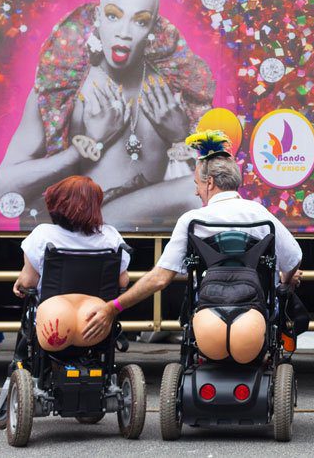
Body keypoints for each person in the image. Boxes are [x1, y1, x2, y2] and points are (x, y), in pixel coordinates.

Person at [0, 0, 215, 230]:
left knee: (203, 191)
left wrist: (181, 137)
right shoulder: (65, 87)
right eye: (113, 16)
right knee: (190, 192)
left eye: (140, 21)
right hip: (79, 223)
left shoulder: (171, 93)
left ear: (153, 27)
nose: (124, 33)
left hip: (138, 232)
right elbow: (3, 188)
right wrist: (84, 148)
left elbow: (217, 182)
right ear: (98, 16)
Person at [81, 131, 302, 364]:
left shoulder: (193, 221)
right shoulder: (262, 216)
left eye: (196, 183)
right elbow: (294, 257)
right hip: (255, 318)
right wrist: (284, 283)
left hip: (207, 318)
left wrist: (114, 307)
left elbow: (159, 279)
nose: (196, 191)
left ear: (210, 182)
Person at [13, 176, 131, 351]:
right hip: (94, 323)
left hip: (55, 322)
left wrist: (19, 283)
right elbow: (122, 282)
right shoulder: (111, 237)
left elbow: (28, 282)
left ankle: (18, 363)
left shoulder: (43, 235)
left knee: (29, 320)